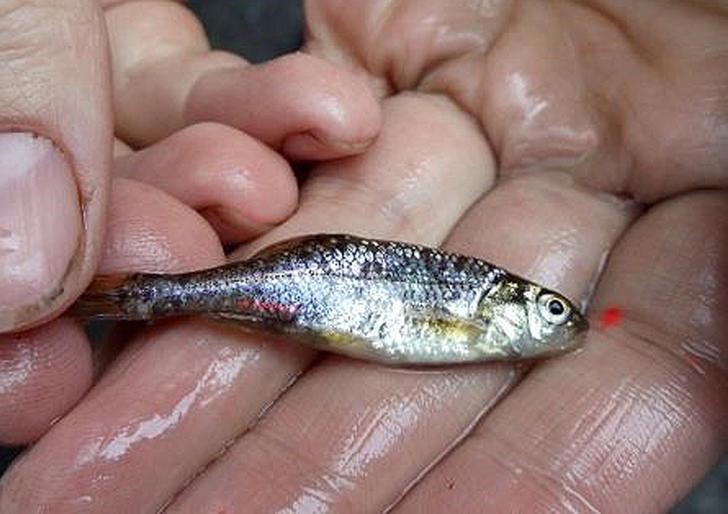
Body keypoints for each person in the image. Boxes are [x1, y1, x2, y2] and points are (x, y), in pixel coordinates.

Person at [0, 1, 726, 511]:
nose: (556, 318)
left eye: (552, 308)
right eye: (545, 306)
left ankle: (135, 296)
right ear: (503, 309)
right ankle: (138, 295)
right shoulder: (475, 323)